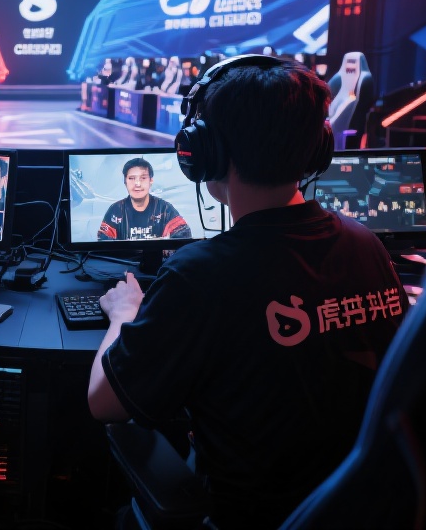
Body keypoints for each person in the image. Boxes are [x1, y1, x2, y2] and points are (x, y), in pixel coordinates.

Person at [87, 57, 409, 530]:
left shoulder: (199, 275)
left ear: (204, 153)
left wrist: (124, 313)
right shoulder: (367, 246)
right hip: (358, 505)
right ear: (318, 148)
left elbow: (103, 403)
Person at [97, 157, 191, 241]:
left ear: (151, 181)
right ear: (125, 182)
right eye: (131, 178)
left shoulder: (165, 209)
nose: (137, 184)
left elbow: (184, 236)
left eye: (143, 178)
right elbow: (103, 241)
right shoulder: (115, 210)